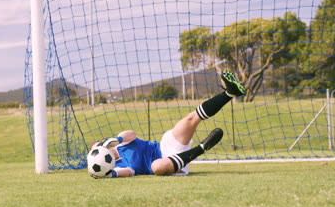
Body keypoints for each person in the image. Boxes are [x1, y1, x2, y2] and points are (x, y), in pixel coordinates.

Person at [90, 70, 246, 178]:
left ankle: (230, 93)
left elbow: (131, 134)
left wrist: (117, 139)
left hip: (164, 146)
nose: (102, 150)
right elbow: (129, 172)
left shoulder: (120, 142)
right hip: (168, 165)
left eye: (101, 146)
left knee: (189, 119)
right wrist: (111, 174)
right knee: (157, 167)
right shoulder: (118, 166)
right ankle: (202, 148)